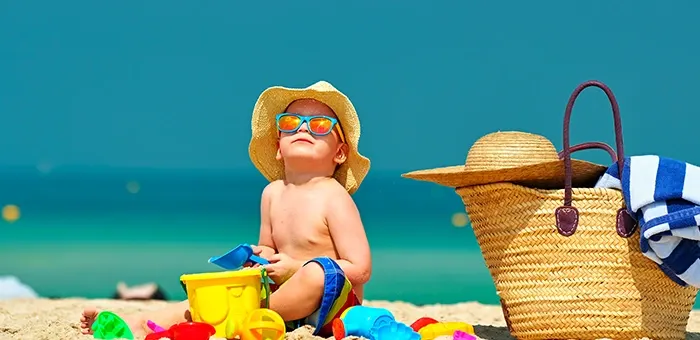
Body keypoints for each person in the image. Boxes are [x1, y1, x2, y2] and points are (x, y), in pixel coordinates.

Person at [79, 80, 373, 337]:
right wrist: (258, 256)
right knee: (217, 289)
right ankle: (138, 323)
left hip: (331, 308)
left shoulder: (334, 197)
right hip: (280, 306)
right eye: (289, 122)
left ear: (340, 152)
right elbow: (269, 247)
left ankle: (237, 314)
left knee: (317, 273)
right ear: (278, 147)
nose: (303, 128)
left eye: (320, 125)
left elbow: (360, 268)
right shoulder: (272, 193)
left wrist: (298, 269)